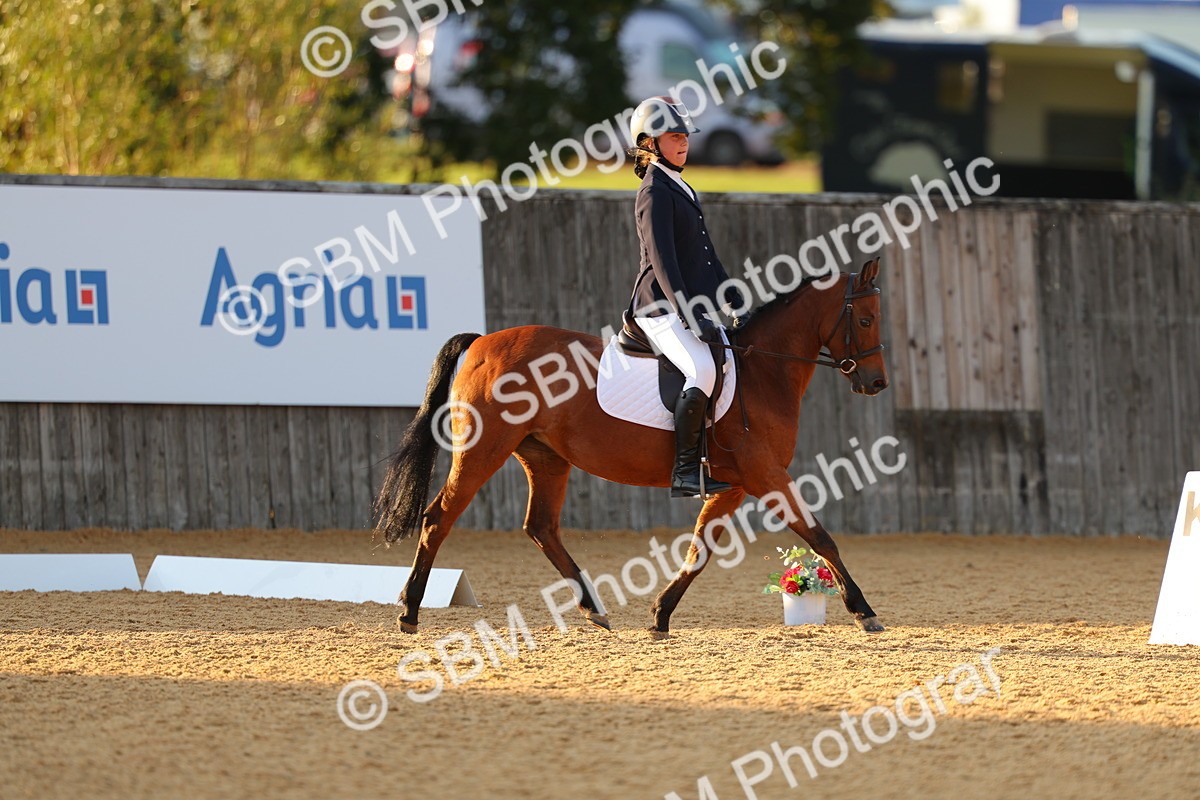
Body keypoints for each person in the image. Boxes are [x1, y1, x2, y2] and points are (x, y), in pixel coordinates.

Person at [625, 95, 738, 499]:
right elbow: (664, 262)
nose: (683, 142)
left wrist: (727, 291)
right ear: (650, 143)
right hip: (659, 307)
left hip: (687, 304)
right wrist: (689, 314)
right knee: (702, 372)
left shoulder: (680, 185)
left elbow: (703, 252)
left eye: (684, 135)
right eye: (673, 136)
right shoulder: (654, 192)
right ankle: (686, 471)